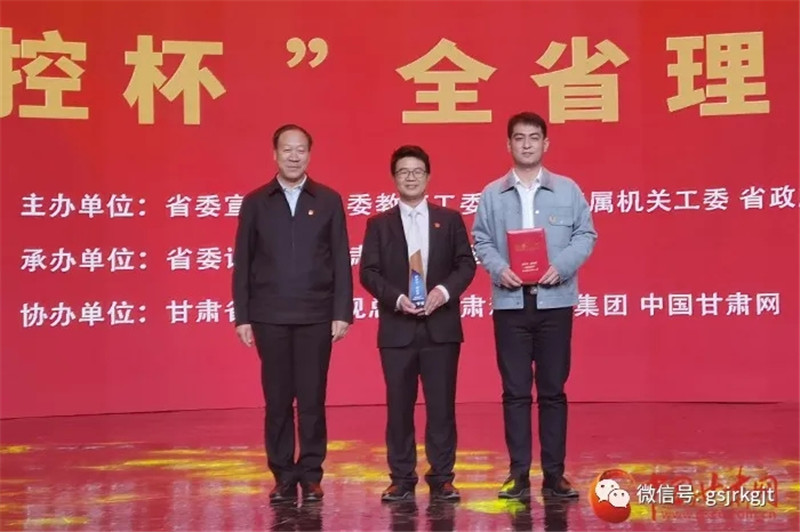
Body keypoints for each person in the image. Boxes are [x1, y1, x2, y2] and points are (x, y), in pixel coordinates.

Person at [471, 112, 597, 500]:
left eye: (534, 137)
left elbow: (586, 234)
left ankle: (555, 475)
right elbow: (481, 239)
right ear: (508, 144)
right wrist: (499, 269)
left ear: (546, 143)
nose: (526, 144)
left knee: (553, 390)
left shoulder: (568, 190)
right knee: (515, 392)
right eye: (519, 138)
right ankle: (519, 474)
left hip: (555, 303)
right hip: (510, 305)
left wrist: (562, 267)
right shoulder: (492, 194)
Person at [232, 123, 354, 503]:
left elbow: (340, 258)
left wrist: (342, 312)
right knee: (278, 400)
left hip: (316, 315)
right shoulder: (256, 202)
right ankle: (283, 474)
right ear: (275, 154)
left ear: (309, 155)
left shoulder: (328, 200)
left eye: (301, 149)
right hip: (269, 316)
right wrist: (242, 316)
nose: (294, 156)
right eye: (287, 149)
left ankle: (312, 474)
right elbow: (243, 261)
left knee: (313, 400)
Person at [360, 145, 477, 502]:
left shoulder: (450, 219)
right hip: (397, 329)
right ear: (394, 178)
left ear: (428, 176)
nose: (410, 177)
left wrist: (443, 291)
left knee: (442, 407)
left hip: (441, 328)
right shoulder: (378, 224)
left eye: (417, 171)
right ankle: (401, 477)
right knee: (399, 407)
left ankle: (442, 477)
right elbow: (368, 272)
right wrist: (397, 298)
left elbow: (466, 264)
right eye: (403, 172)